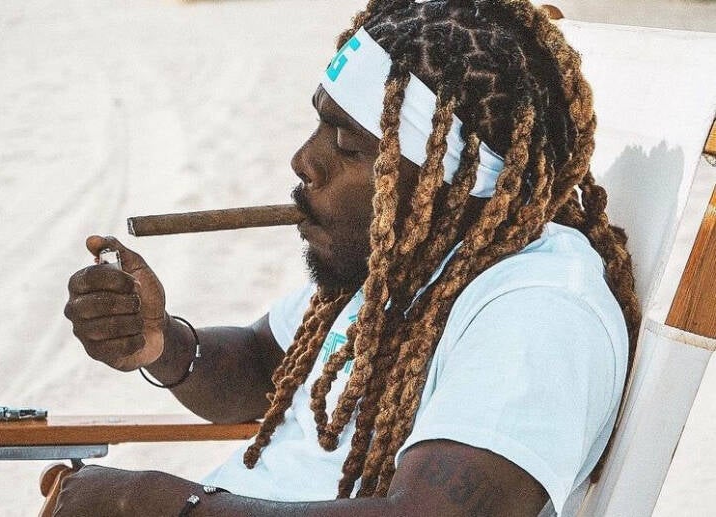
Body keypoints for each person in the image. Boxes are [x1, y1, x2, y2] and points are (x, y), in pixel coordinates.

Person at [59, 0, 641, 515]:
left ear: (448, 183)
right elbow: (264, 365)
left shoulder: (541, 311)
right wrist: (161, 343)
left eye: (346, 144)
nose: (304, 161)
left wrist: (158, 503)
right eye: (320, 124)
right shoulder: (407, 263)